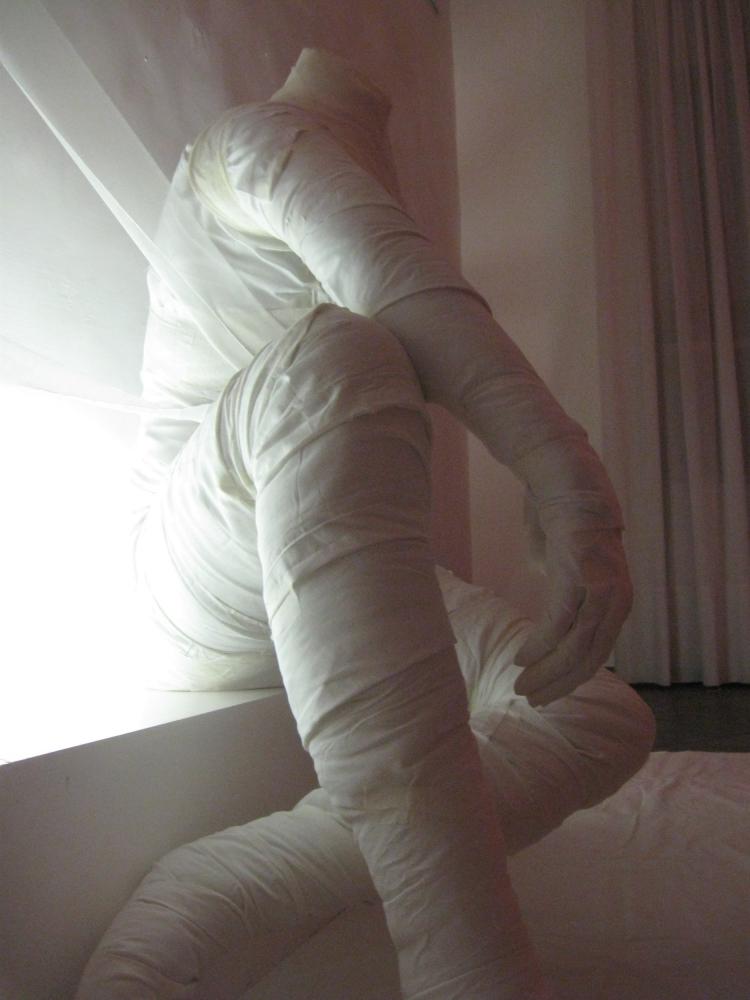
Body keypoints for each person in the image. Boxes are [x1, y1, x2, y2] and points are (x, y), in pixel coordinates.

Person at [130, 48, 655, 1000]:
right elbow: (392, 277)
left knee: (598, 710)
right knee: (339, 355)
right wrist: (568, 480)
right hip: (202, 568)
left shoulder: (350, 153)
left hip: (316, 551)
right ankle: (468, 969)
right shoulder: (251, 139)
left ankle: (223, 886)